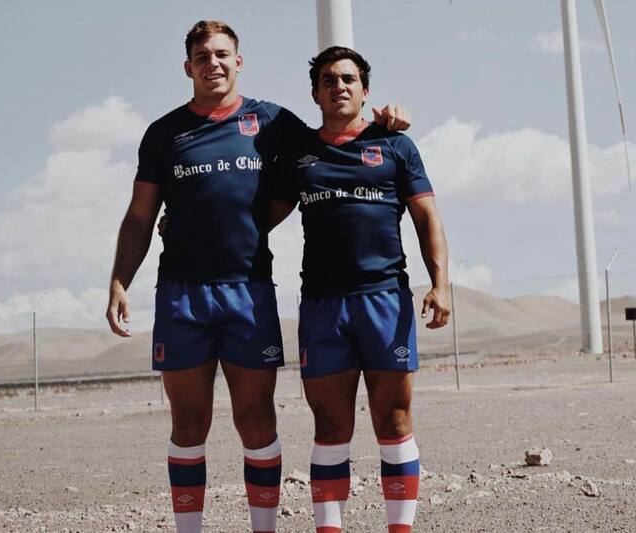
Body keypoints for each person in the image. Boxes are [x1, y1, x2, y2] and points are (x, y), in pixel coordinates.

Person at [105, 21, 409, 533]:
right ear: (188, 68)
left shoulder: (271, 122)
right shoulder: (163, 134)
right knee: (188, 422)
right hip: (181, 293)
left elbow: (333, 137)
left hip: (248, 291)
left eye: (222, 54)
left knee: (255, 418)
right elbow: (139, 216)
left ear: (238, 61)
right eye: (202, 57)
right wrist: (118, 281)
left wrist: (386, 122)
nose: (213, 64)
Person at [268, 46, 450, 533]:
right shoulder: (299, 154)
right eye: (328, 80)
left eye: (348, 79)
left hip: (385, 300)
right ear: (315, 94)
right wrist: (191, 229)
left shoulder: (395, 145)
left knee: (393, 422)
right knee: (330, 429)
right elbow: (261, 217)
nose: (339, 86)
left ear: (366, 91)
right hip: (324, 307)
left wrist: (441, 285)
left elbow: (426, 215)